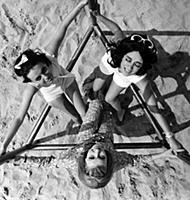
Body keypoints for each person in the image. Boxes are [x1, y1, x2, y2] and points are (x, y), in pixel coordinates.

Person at [83, 10, 190, 157]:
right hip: (110, 67)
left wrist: (171, 138)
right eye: (128, 60)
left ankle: (120, 111)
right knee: (96, 88)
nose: (130, 67)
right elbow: (116, 30)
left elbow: (154, 108)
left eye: (137, 64)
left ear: (141, 67)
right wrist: (99, 16)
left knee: (109, 98)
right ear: (123, 55)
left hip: (124, 78)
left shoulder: (139, 76)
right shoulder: (113, 56)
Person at [0, 0, 88, 155]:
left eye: (44, 71)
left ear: (46, 62)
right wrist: (4, 146)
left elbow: (63, 27)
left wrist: (80, 5)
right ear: (32, 82)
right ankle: (79, 124)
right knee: (75, 116)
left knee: (83, 112)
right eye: (38, 78)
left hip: (64, 79)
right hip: (53, 95)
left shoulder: (50, 56)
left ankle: (87, 130)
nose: (44, 78)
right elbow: (19, 118)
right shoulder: (32, 88)